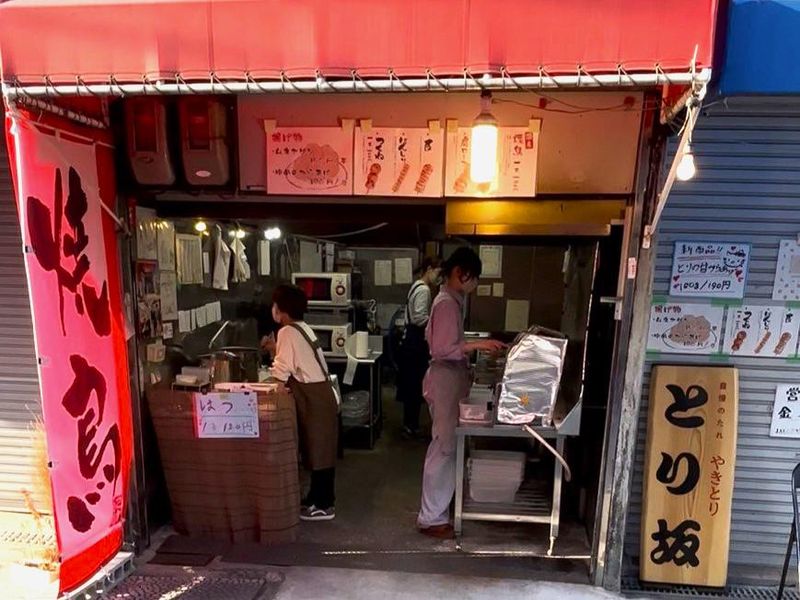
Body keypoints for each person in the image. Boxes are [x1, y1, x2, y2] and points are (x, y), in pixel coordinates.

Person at [417, 247, 506, 539]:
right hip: (444, 379)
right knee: (443, 448)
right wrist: (478, 345)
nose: (474, 283)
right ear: (459, 273)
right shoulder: (446, 303)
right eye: (473, 277)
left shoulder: (452, 301)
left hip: (450, 378)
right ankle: (431, 518)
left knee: (447, 446)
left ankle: (437, 511)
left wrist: (471, 347)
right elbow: (441, 348)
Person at [261, 284, 339, 521]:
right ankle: (316, 497)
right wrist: (275, 349)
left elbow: (282, 370)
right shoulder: (301, 327)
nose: (273, 309)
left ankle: (324, 505)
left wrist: (266, 387)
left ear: (281, 308)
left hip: (314, 398)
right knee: (320, 451)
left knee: (319, 452)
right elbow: (294, 358)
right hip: (322, 395)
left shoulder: (287, 331)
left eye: (275, 304)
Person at [397, 256, 441, 439]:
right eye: (438, 272)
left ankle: (410, 424)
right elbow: (418, 318)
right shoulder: (423, 290)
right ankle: (411, 426)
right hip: (415, 344)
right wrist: (436, 322)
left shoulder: (416, 286)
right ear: (429, 269)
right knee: (414, 386)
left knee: (411, 386)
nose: (439, 277)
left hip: (410, 342)